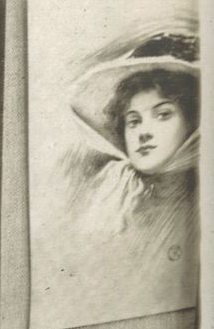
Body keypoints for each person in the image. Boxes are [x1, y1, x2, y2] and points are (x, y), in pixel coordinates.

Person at [63, 30, 198, 267]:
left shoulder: (200, 195)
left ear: (192, 122)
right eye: (134, 121)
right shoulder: (113, 195)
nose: (143, 132)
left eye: (163, 114)